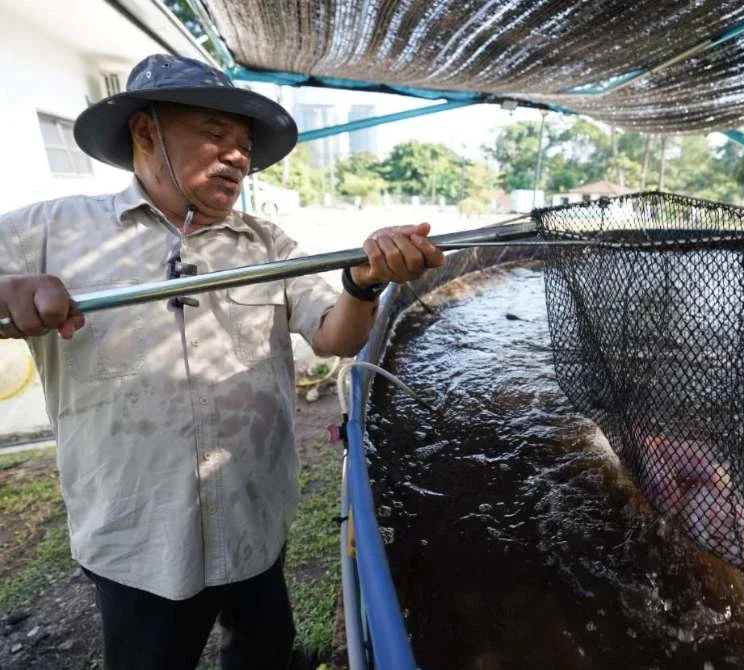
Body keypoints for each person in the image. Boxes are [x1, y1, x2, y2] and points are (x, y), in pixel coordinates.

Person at [0, 55, 444, 669]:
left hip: (253, 516)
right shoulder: (51, 231)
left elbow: (334, 335)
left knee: (261, 650)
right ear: (146, 131)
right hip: (140, 539)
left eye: (245, 144)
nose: (237, 156)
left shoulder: (270, 246)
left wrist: (362, 285)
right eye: (215, 133)